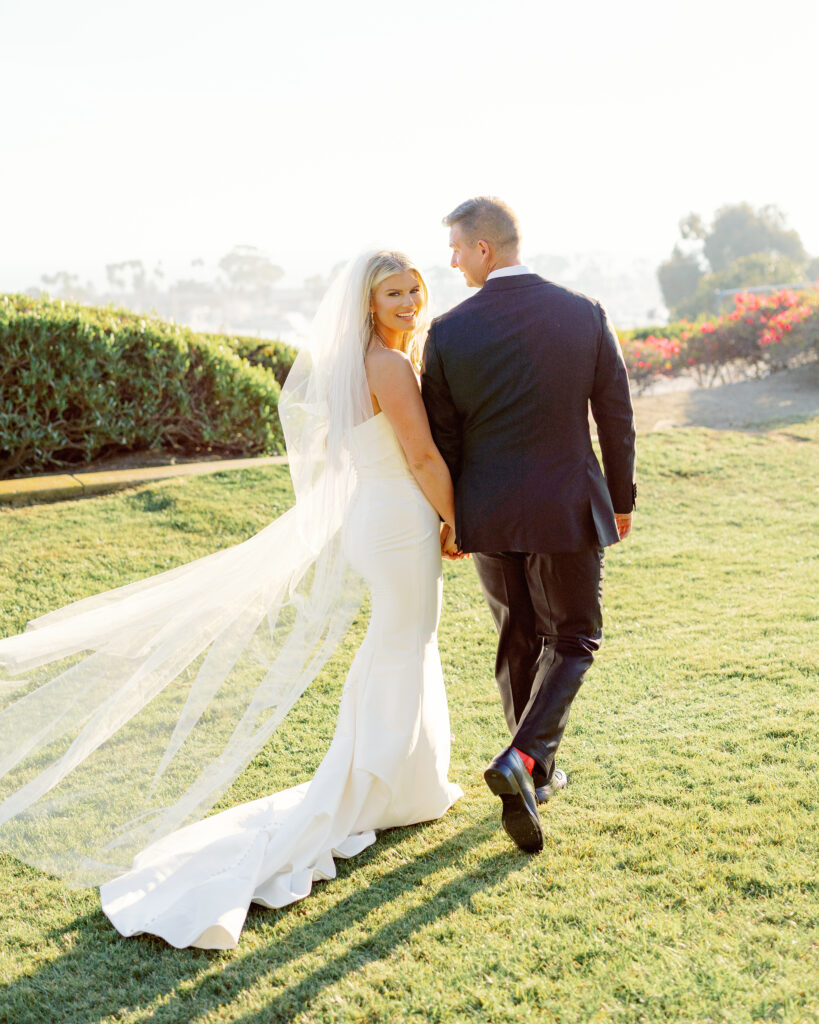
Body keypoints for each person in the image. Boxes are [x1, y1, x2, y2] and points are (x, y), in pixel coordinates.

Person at [0, 251, 462, 948]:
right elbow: (423, 457)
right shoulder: (389, 366)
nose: (407, 301)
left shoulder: (363, 361)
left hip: (378, 516)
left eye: (414, 289)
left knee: (398, 641)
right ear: (367, 303)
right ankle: (375, 787)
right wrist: (456, 519)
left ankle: (401, 779)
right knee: (403, 641)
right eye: (392, 292)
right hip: (400, 520)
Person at [422, 197, 636, 854]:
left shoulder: (448, 331)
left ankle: (529, 773)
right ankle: (524, 764)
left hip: (487, 510)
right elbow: (615, 417)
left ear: (484, 249)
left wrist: (450, 517)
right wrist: (620, 499)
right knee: (573, 638)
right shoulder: (583, 313)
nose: (452, 260)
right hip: (566, 503)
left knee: (518, 635)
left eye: (457, 248)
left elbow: (442, 437)